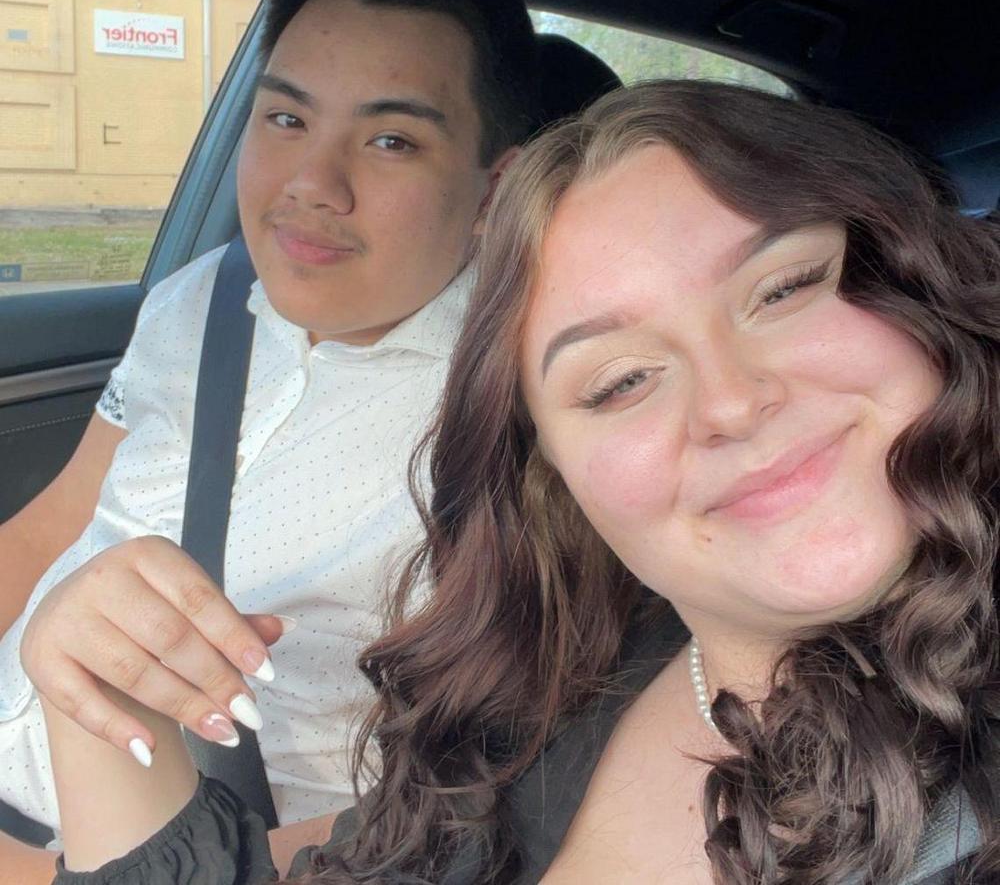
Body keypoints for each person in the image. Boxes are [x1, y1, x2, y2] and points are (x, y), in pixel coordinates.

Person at [30, 79, 1000, 884]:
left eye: (782, 289)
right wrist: (105, 712)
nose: (732, 402)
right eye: (619, 381)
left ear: (914, 279)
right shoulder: (537, 706)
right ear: (559, 478)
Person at [0, 0, 539, 881]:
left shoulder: (520, 407)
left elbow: (448, 803)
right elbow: (53, 530)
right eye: (287, 120)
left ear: (494, 188)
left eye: (390, 140)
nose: (311, 185)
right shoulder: (201, 298)